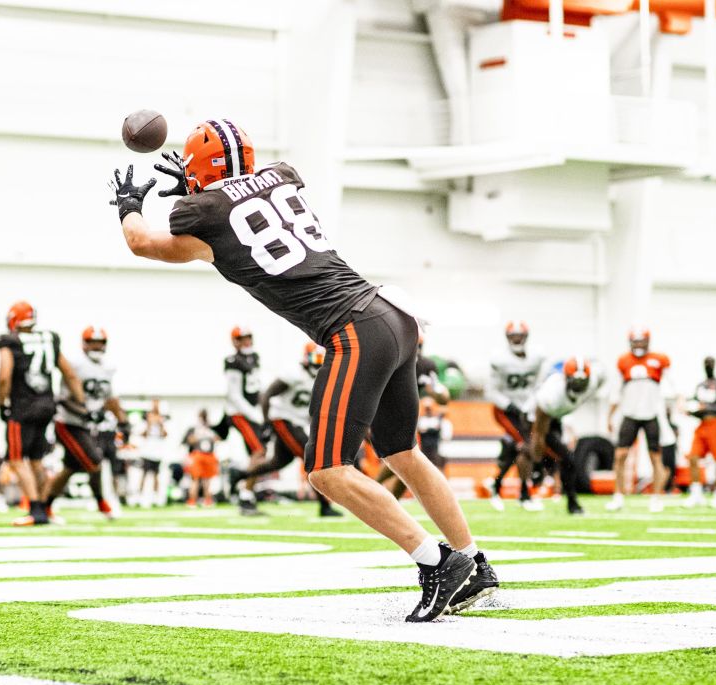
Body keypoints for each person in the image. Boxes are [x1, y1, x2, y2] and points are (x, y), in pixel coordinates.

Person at [109, 118, 494, 621]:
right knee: (403, 451)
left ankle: (437, 562)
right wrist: (206, 189)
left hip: (352, 329)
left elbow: (144, 241)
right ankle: (474, 561)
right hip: (392, 315)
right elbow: (227, 218)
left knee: (327, 470)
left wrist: (129, 205)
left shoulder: (198, 209)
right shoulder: (279, 176)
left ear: (199, 172)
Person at [0, 301, 87, 526]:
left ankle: (36, 509)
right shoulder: (50, 338)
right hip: (47, 404)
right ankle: (46, 509)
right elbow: (70, 374)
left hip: (22, 406)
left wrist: (2, 402)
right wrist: (82, 404)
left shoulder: (10, 341)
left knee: (17, 459)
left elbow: (4, 376)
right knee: (37, 460)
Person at [242, 342, 342, 517]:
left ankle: (238, 475)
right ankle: (324, 505)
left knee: (279, 462)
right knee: (311, 458)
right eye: (316, 357)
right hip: (282, 419)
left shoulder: (322, 378)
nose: (319, 362)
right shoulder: (295, 374)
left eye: (322, 358)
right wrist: (266, 423)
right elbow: (267, 395)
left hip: (296, 422)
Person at [45, 326, 122, 520]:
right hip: (68, 422)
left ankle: (44, 505)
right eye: (92, 341)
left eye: (100, 342)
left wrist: (124, 421)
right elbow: (62, 398)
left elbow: (110, 399)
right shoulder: (75, 364)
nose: (96, 346)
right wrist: (84, 413)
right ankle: (102, 503)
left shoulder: (107, 368)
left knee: (70, 468)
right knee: (95, 461)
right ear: (84, 343)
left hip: (87, 426)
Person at [518, 357, 602, 516]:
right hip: (533, 418)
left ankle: (569, 501)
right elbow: (538, 433)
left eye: (582, 381)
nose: (579, 385)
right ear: (565, 378)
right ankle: (529, 493)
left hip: (555, 417)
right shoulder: (551, 396)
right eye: (575, 381)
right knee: (555, 457)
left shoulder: (594, 382)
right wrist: (537, 465)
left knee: (565, 460)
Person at [375, 336, 450, 501]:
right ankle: (373, 488)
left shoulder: (425, 366)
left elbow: (442, 397)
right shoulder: (390, 361)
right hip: (383, 410)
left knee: (407, 462)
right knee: (404, 458)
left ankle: (390, 501)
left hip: (404, 415)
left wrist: (438, 391)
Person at [606, 326, 672, 513]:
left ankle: (656, 497)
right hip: (629, 414)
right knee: (620, 456)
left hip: (651, 415)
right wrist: (610, 416)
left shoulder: (659, 360)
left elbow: (670, 385)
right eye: (635, 341)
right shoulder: (623, 361)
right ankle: (617, 496)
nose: (639, 345)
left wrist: (677, 403)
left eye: (642, 341)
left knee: (655, 458)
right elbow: (616, 391)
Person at [486, 321, 546, 511]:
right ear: (507, 337)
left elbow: (538, 385)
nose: (517, 339)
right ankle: (524, 494)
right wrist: (510, 406)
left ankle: (496, 485)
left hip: (526, 409)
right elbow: (490, 391)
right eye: (513, 336)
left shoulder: (536, 357)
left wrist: (531, 404)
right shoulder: (500, 359)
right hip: (506, 410)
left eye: (520, 336)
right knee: (525, 447)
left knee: (518, 450)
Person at [220, 326, 269, 512]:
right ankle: (243, 493)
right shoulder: (233, 361)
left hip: (252, 412)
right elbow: (234, 395)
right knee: (259, 451)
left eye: (249, 337)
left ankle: (245, 491)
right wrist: (256, 415)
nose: (246, 341)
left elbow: (256, 387)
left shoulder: (254, 358)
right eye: (242, 338)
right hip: (239, 413)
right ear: (235, 341)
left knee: (260, 453)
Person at [684, 356, 716, 508]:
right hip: (702, 424)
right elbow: (695, 404)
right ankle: (696, 492)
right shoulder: (700, 386)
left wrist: (706, 408)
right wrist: (689, 410)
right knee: (693, 456)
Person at [183, 410, 221, 507]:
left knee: (206, 479)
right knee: (196, 479)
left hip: (207, 455)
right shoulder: (196, 427)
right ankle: (193, 500)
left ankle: (206, 500)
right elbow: (190, 440)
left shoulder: (209, 427)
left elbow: (217, 439)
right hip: (199, 454)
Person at [135, 401, 168, 508]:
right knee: (144, 474)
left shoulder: (161, 420)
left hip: (157, 452)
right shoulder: (145, 420)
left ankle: (155, 498)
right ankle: (139, 497)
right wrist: (149, 424)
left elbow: (165, 435)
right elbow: (142, 434)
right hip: (147, 451)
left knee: (156, 476)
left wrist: (161, 424)